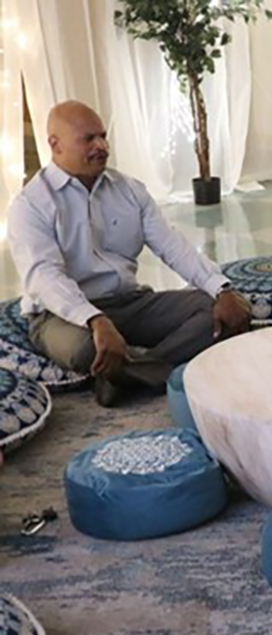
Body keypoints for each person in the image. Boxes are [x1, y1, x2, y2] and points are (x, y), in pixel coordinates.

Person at [7, 100, 251, 407]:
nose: (101, 146)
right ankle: (155, 368)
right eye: (88, 139)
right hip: (61, 316)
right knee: (87, 350)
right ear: (55, 145)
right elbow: (45, 277)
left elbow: (173, 246)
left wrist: (221, 288)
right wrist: (95, 320)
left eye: (103, 136)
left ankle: (127, 374)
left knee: (219, 312)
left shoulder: (129, 190)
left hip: (129, 303)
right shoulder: (30, 205)